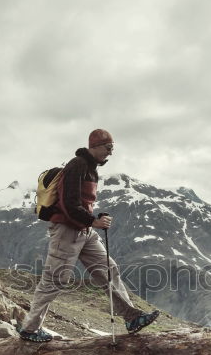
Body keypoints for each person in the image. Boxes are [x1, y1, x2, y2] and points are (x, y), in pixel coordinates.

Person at [18, 129, 159, 342]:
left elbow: (81, 203)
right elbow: (68, 203)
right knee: (55, 280)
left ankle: (131, 317)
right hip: (66, 231)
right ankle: (30, 329)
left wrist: (93, 219)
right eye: (108, 148)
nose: (110, 153)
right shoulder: (78, 166)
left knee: (108, 268)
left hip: (83, 231)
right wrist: (93, 220)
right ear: (95, 145)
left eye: (112, 149)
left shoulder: (90, 168)